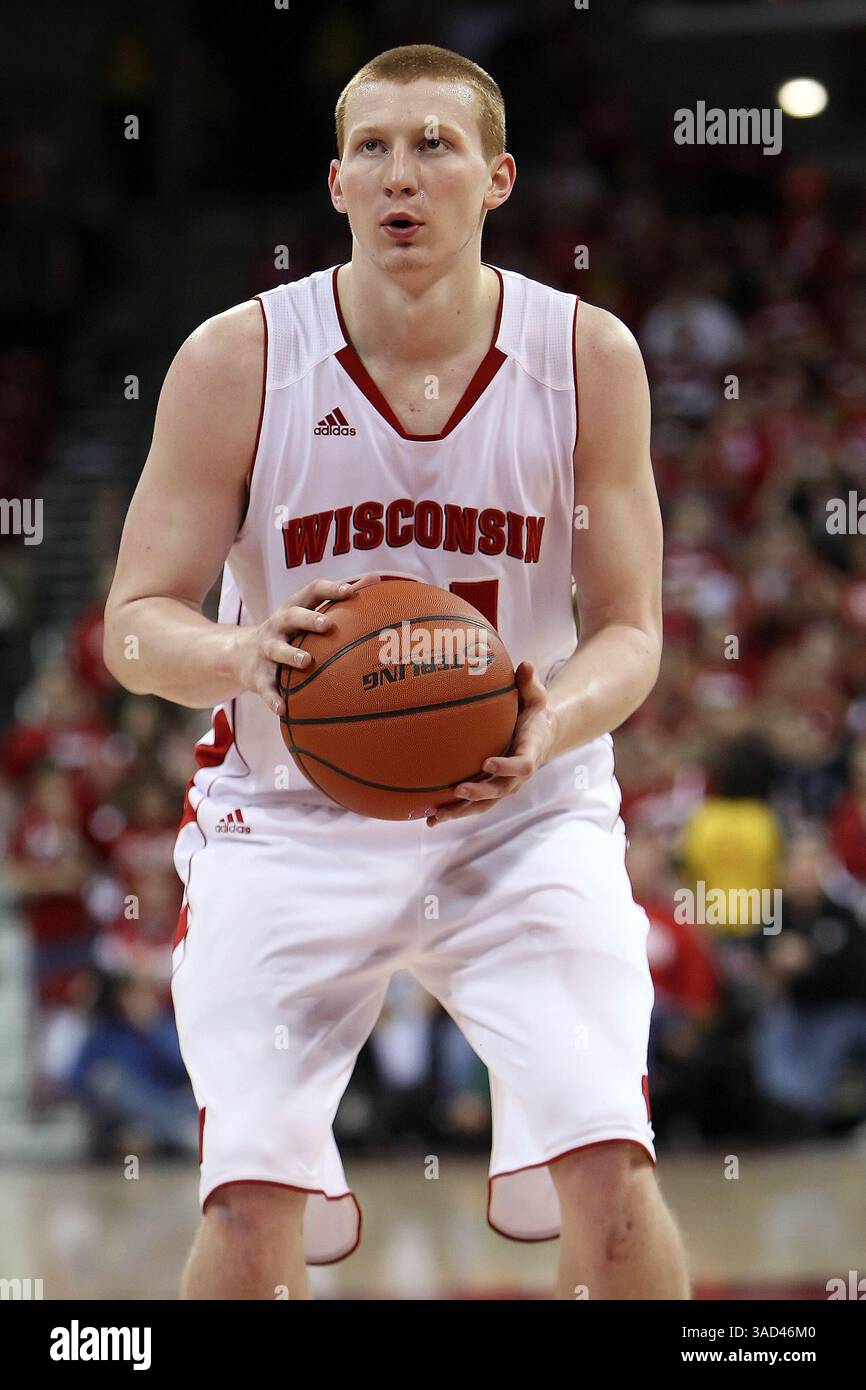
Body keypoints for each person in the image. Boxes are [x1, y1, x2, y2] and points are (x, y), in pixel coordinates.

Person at [103, 43, 688, 1300]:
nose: (399, 174)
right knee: (249, 1195)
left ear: (496, 178)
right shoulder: (235, 360)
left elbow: (631, 633)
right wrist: (241, 654)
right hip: (287, 817)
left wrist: (546, 723)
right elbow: (134, 625)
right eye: (371, 147)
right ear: (332, 182)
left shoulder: (586, 358)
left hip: (520, 808)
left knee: (610, 1163)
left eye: (433, 145)